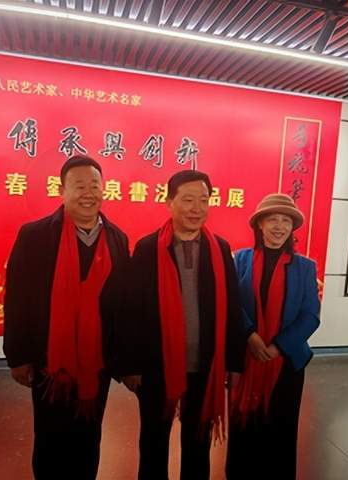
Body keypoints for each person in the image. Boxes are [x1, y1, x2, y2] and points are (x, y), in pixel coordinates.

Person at [3, 155, 129, 480]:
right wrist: (18, 356)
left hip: (96, 360)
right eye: (79, 186)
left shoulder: (117, 239)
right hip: (50, 362)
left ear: (104, 189)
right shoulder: (35, 236)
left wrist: (123, 361)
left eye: (94, 185)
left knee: (89, 436)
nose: (88, 193)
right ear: (62, 191)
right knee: (50, 438)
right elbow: (17, 298)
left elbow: (121, 305)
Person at [116, 170, 246, 480]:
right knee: (154, 441)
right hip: (156, 364)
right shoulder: (148, 249)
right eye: (188, 200)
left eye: (204, 200)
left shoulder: (220, 249)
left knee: (198, 442)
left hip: (205, 365)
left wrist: (233, 362)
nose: (196, 208)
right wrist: (130, 365)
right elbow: (130, 310)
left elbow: (232, 307)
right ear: (169, 202)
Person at [226, 193, 321, 480]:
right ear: (260, 224)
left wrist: (278, 346)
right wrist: (250, 336)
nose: (279, 227)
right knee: (244, 426)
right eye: (272, 220)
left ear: (292, 228)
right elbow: (232, 304)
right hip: (247, 357)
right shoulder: (240, 259)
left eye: (286, 221)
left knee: (281, 428)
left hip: (287, 362)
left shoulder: (305, 267)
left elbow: (310, 315)